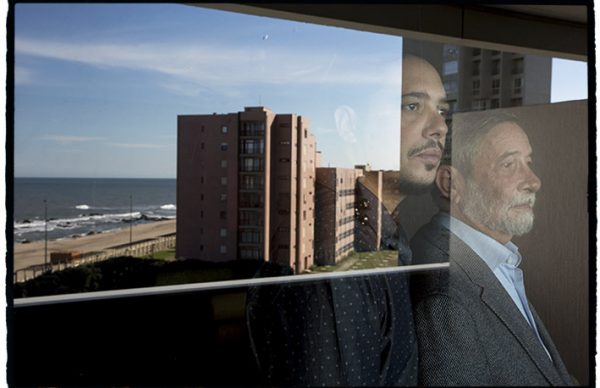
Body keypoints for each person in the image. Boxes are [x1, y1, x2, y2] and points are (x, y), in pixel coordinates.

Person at [246, 54, 449, 386]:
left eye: (442, 111)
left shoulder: (379, 234)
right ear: (349, 126)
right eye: (412, 106)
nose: (439, 126)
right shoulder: (335, 263)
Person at [410, 112, 574, 385]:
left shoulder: (495, 260)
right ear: (450, 184)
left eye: (528, 162)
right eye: (509, 164)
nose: (533, 181)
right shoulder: (443, 297)